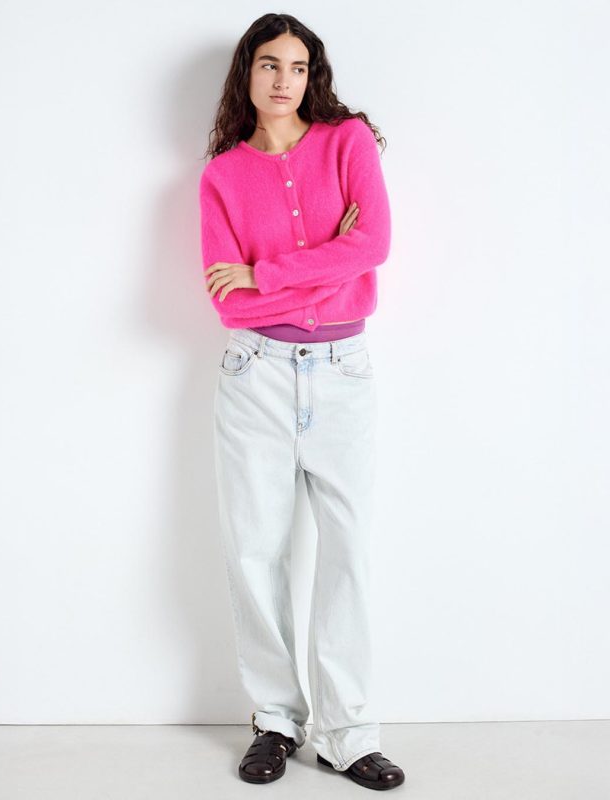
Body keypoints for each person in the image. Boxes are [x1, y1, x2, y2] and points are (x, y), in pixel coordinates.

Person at [198, 13, 405, 791]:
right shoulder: (223, 176)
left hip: (343, 373)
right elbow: (226, 302)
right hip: (254, 374)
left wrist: (268, 273)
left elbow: (373, 245)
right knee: (256, 552)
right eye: (268, 64)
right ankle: (276, 720)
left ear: (312, 75)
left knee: (347, 552)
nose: (283, 79)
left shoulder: (347, 142)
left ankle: (347, 735)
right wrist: (328, 263)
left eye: (297, 66)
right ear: (246, 74)